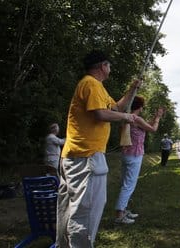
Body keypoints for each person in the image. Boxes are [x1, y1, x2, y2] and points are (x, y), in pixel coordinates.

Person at [57, 50, 140, 247]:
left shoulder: (98, 88)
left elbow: (116, 108)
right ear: (102, 66)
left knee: (70, 209)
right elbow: (101, 115)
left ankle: (63, 244)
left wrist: (132, 89)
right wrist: (128, 118)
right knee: (87, 210)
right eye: (109, 65)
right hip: (86, 157)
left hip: (80, 156)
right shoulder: (90, 84)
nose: (110, 69)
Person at [115, 96, 164, 224]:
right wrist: (158, 117)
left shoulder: (128, 117)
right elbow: (152, 129)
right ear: (140, 107)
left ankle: (123, 210)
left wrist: (154, 118)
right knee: (129, 185)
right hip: (135, 155)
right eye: (143, 106)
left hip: (126, 153)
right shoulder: (137, 118)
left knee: (125, 184)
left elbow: (145, 125)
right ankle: (120, 215)